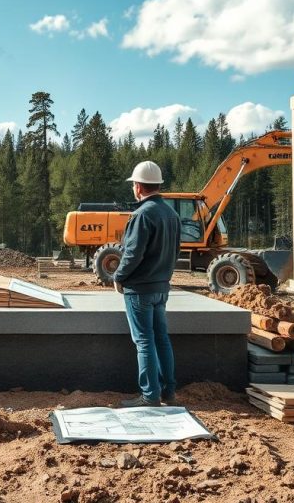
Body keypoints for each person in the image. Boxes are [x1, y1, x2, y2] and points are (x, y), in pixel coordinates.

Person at [112, 161, 181, 407]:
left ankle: (150, 396)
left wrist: (118, 277)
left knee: (144, 341)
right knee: (161, 338)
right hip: (161, 288)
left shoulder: (142, 215)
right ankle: (168, 393)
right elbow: (175, 251)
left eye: (134, 185)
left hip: (139, 289)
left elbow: (132, 254)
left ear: (138, 187)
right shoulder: (171, 214)